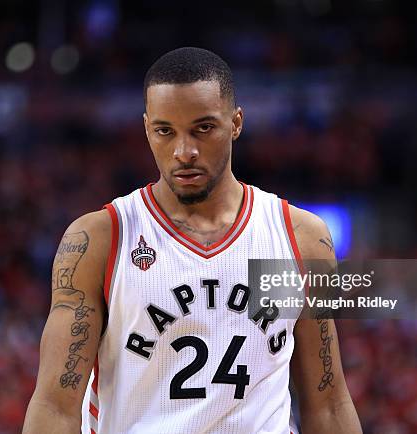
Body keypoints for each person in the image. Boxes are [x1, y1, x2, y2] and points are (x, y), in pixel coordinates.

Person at [23, 47, 362, 434]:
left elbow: (329, 404)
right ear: (148, 129)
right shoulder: (100, 240)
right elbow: (54, 407)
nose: (185, 152)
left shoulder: (299, 238)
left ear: (236, 123)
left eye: (203, 128)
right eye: (166, 131)